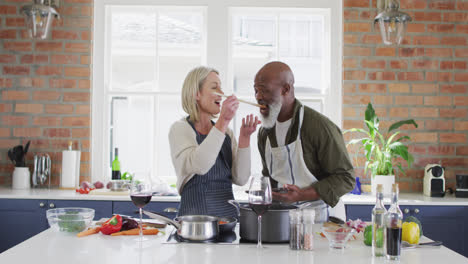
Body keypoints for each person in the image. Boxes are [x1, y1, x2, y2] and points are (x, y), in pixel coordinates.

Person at [254, 61, 355, 222]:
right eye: (256, 90)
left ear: (285, 89)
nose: (258, 97)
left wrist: (302, 195)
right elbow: (268, 177)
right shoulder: (264, 133)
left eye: (264, 90)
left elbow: (345, 178)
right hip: (284, 219)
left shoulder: (319, 127)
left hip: (323, 218)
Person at [169, 66, 260, 219]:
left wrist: (245, 138)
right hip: (194, 225)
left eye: (221, 87)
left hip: (228, 221)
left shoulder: (226, 132)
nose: (222, 93)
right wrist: (223, 120)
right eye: (214, 87)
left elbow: (241, 178)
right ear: (196, 94)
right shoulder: (180, 129)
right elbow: (200, 165)